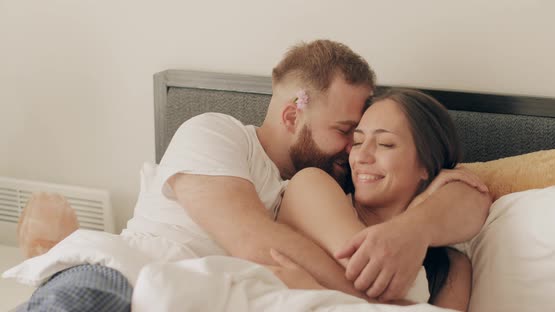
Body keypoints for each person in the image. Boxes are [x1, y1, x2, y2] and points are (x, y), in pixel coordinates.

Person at [14, 39, 489, 311]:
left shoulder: (337, 178)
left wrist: (415, 229)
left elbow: (473, 196)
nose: (354, 150)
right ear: (291, 117)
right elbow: (257, 245)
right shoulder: (216, 134)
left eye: (370, 139)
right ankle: (59, 251)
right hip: (136, 270)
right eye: (347, 131)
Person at [271, 88, 478, 311]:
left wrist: (315, 290)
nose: (361, 156)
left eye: (385, 144)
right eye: (358, 142)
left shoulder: (452, 268)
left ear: (427, 164)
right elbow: (370, 269)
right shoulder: (312, 186)